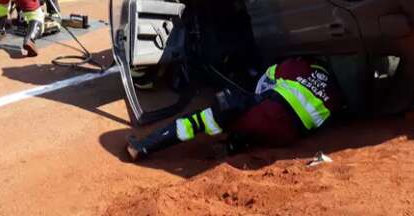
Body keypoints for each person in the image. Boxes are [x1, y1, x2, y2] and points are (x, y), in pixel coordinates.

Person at [126, 57, 343, 161]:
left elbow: (268, 75)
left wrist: (253, 98)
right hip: (286, 135)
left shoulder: (301, 65)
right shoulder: (333, 95)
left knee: (202, 119)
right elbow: (317, 124)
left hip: (266, 110)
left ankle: (143, 146)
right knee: (255, 129)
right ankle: (235, 143)